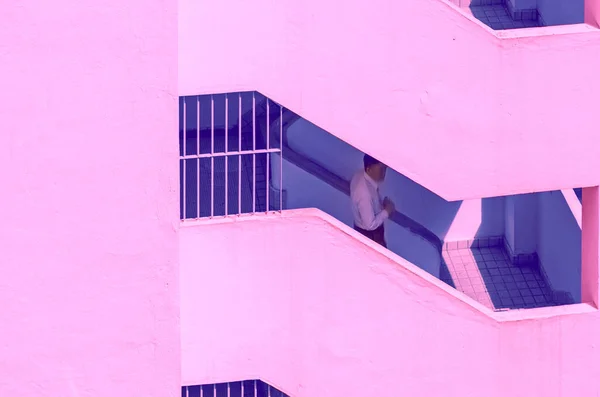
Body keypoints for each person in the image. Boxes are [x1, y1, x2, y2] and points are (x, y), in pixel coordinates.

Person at [350, 154, 395, 247]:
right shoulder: (364, 194)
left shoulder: (360, 175)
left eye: (384, 167)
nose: (384, 171)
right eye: (380, 168)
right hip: (371, 235)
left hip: (366, 231)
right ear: (369, 169)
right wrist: (387, 211)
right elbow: (369, 224)